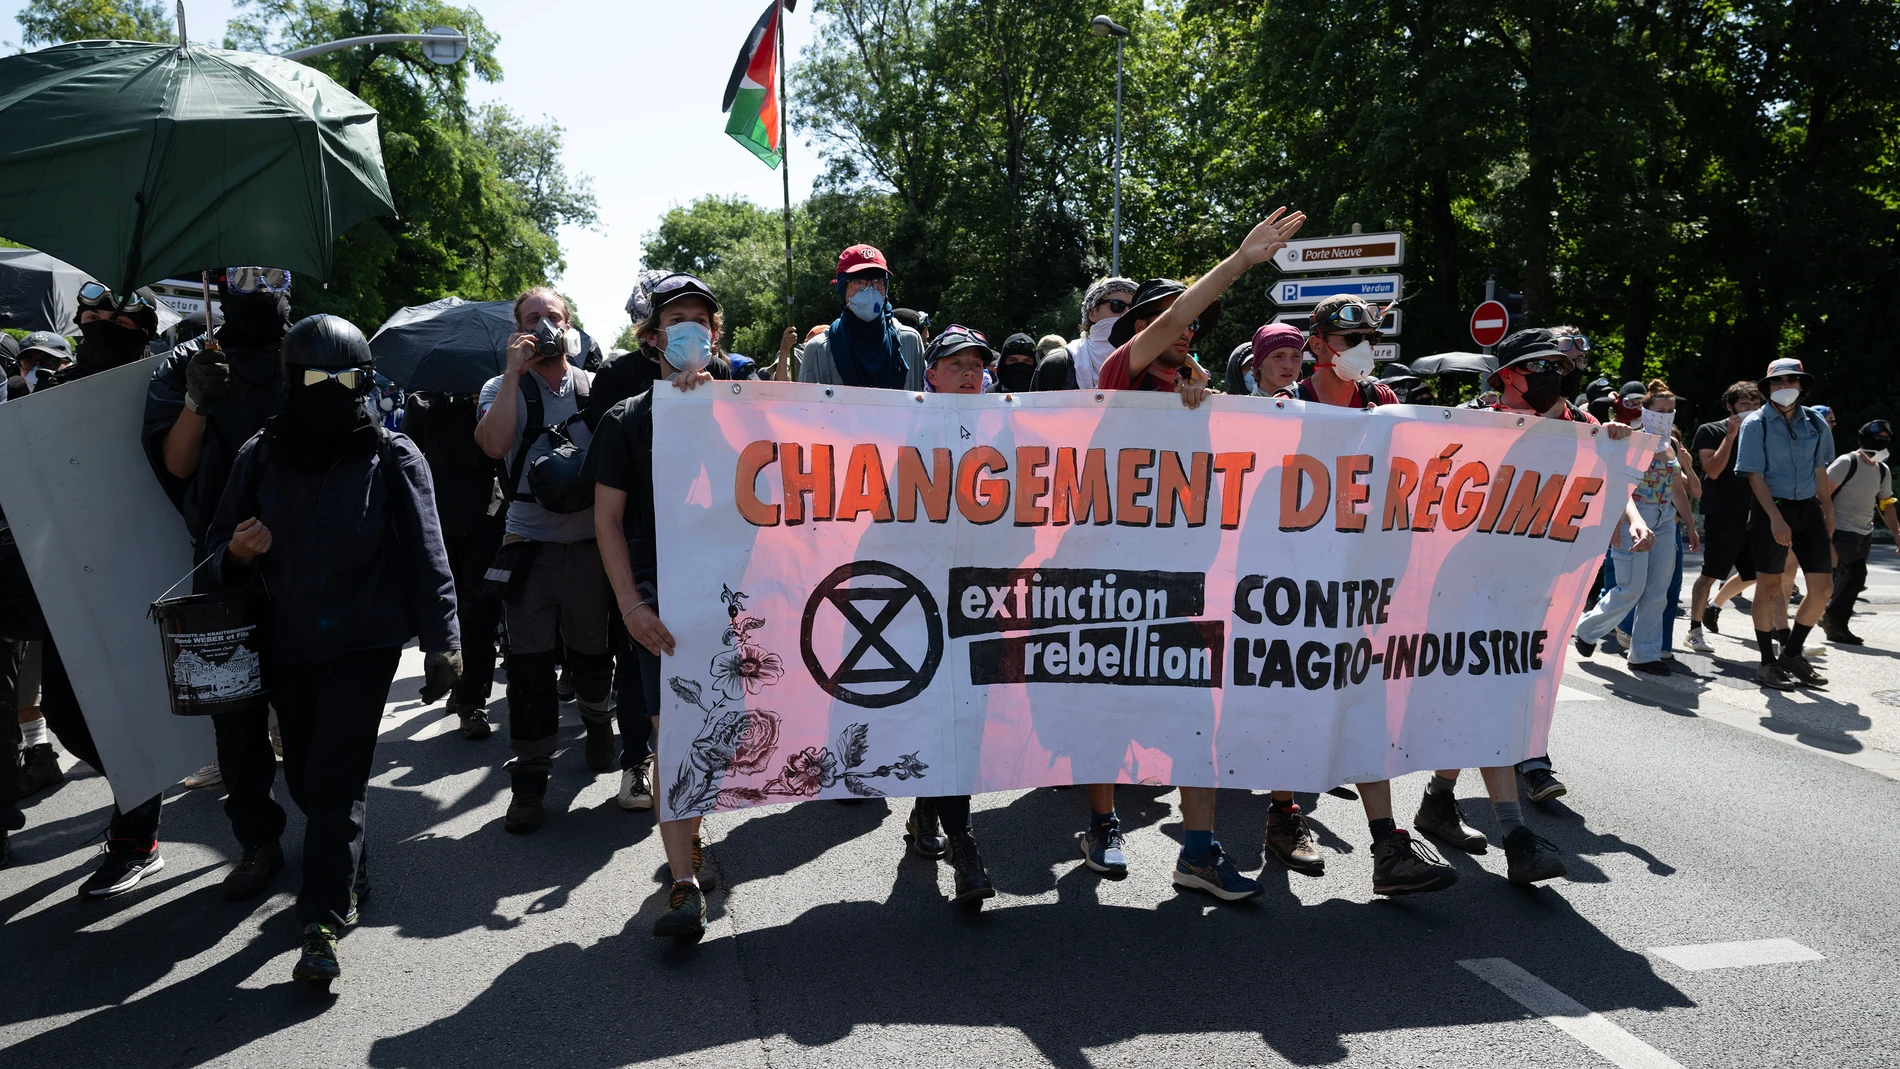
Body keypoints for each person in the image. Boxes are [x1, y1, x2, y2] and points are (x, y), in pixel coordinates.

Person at [205, 314, 460, 984]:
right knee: (306, 777)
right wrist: (236, 552)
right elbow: (214, 552)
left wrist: (444, 644)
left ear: (366, 381)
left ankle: (320, 921)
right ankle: (346, 865)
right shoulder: (259, 453)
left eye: (347, 379)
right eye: (319, 379)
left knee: (335, 780)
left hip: (365, 640)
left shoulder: (393, 455)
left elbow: (428, 555)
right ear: (293, 382)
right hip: (287, 640)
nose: (333, 391)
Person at [1086, 205, 1306, 902]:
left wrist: (1204, 412)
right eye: (1170, 320)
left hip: (1190, 581)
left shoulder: (1205, 397)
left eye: (1191, 323)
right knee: (1105, 709)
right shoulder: (1118, 375)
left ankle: (1200, 849)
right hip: (1117, 577)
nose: (1185, 328)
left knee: (1198, 711)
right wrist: (1240, 262)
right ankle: (1101, 822)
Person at [1417, 328, 1646, 885]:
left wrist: (1632, 518)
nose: (1552, 375)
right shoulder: (1475, 422)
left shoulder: (1584, 425)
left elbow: (1615, 482)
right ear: (1508, 375)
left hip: (1535, 587)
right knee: (1491, 694)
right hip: (1468, 583)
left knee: (1497, 694)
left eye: (1557, 366)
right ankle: (1514, 833)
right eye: (1538, 366)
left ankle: (1439, 800)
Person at [1266, 294, 1457, 897]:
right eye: (1349, 340)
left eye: (1367, 339)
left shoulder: (1384, 403)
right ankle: (1284, 814)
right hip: (1293, 584)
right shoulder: (1284, 407)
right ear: (1318, 346)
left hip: (1367, 584)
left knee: (1364, 702)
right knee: (1290, 699)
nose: (1361, 351)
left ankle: (1387, 844)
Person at [0, 285, 169, 894]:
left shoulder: (169, 382)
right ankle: (144, 780)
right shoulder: (49, 388)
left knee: (143, 707)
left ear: (144, 327)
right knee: (71, 715)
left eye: (118, 316)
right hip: (70, 577)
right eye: (92, 313)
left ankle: (135, 834)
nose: (100, 322)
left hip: (151, 569)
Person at [142, 266, 296, 900]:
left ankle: (343, 840)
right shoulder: (186, 360)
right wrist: (197, 402)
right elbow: (177, 464)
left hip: (309, 564)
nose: (258, 286)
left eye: (272, 275)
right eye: (244, 275)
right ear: (221, 285)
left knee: (318, 714)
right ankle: (257, 842)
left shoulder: (313, 350)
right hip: (220, 566)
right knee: (235, 724)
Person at [591, 273, 731, 938]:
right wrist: (630, 607)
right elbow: (607, 521)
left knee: (717, 736)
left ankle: (692, 837)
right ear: (651, 337)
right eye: (677, 319)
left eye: (702, 319)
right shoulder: (625, 420)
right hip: (659, 601)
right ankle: (682, 883)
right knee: (675, 736)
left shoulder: (747, 409)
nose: (692, 330)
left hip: (734, 597)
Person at [474, 287, 615, 832]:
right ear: (517, 330)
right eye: (532, 319)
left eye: (552, 317)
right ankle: (530, 781)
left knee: (590, 650)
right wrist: (513, 373)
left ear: (570, 324)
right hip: (527, 545)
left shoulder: (593, 388)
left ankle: (599, 723)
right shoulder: (497, 387)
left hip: (587, 546)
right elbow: (491, 444)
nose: (545, 326)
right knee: (530, 666)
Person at [1572, 380, 1700, 675]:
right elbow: (1620, 487)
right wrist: (1621, 524)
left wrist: (1690, 526)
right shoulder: (1632, 440)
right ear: (1646, 410)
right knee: (1631, 587)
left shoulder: (1674, 445)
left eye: (1671, 410)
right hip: (1633, 516)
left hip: (1665, 519)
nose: (1666, 415)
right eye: (1661, 410)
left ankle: (1644, 654)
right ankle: (1588, 629)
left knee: (1659, 590)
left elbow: (1676, 489)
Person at [401, 387, 507, 739]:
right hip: (436, 524)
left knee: (480, 612)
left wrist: (485, 408)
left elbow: (502, 450)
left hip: (484, 520)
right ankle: (457, 683)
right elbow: (407, 464)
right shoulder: (421, 405)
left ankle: (472, 701)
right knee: (448, 608)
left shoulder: (490, 395)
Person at [1732, 358, 1835, 691]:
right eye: (1777, 382)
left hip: (1808, 510)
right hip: (1770, 509)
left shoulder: (1816, 423)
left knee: (1822, 588)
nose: (1785, 386)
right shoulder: (1756, 423)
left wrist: (1829, 514)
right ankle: (1766, 663)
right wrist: (1775, 518)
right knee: (1771, 586)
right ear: (1768, 387)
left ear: (1801, 385)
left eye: (1792, 380)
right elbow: (1754, 476)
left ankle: (1791, 654)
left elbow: (1820, 471)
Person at [1685, 382, 1765, 652]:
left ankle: (1713, 606)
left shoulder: (1762, 431)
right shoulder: (1711, 430)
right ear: (1730, 407)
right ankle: (1694, 629)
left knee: (1757, 574)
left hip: (1755, 512)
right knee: (1710, 573)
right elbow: (1713, 470)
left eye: (1756, 406)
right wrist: (1730, 437)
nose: (1751, 411)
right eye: (1745, 405)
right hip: (1723, 513)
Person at [796, 245, 925, 391]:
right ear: (842, 289)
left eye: (877, 281)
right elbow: (807, 410)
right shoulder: (819, 350)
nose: (870, 291)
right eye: (859, 282)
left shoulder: (910, 341)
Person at [1822, 421, 1898, 644]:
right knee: (1857, 575)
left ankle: (1829, 617)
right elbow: (1823, 495)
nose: (1882, 442)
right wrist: (1824, 527)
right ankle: (1834, 620)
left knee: (1847, 577)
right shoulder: (1847, 462)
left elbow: (1886, 504)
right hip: (1841, 528)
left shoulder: (1882, 470)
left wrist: (1897, 533)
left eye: (1886, 437)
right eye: (1878, 438)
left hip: (1865, 532)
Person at [1043, 276, 1137, 392]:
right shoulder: (1056, 364)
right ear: (1092, 313)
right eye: (1117, 305)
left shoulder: (1153, 366)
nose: (1127, 314)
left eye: (1134, 309)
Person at [1246, 322, 1305, 397]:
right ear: (1259, 363)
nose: (1288, 365)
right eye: (1278, 356)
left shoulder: (1314, 406)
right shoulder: (1239, 407)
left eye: (1296, 356)